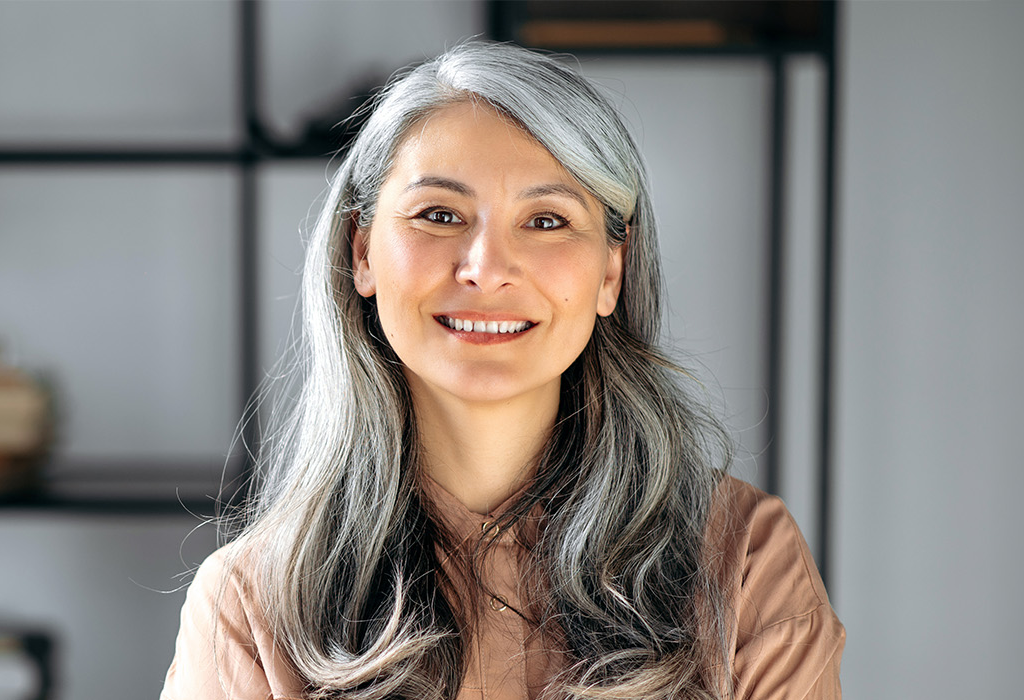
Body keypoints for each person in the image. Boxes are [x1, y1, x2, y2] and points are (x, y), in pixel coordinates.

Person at [162, 41, 843, 700]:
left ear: (612, 270)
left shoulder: (744, 560)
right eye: (438, 215)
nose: (486, 268)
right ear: (362, 250)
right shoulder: (249, 605)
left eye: (546, 220)